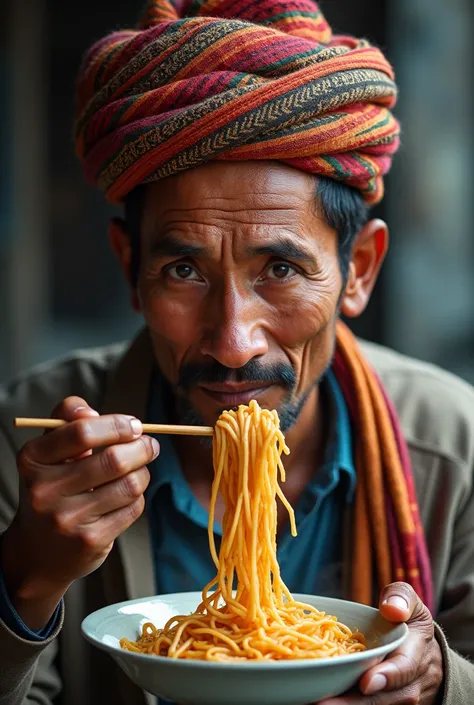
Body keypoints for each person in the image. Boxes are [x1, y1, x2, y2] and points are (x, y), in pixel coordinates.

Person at [0, 1, 473, 704]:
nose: (231, 343)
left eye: (279, 270)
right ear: (129, 267)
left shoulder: (455, 442)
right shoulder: (30, 441)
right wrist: (25, 579)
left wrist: (443, 682)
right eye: (184, 271)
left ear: (361, 270)